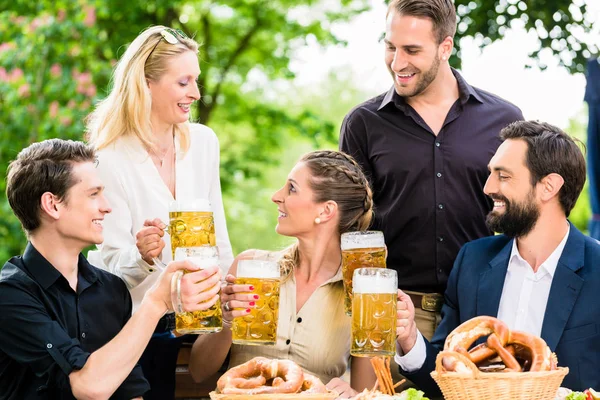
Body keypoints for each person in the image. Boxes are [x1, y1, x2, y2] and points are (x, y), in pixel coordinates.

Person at [339, 0, 524, 339]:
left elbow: (520, 217)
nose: (397, 62)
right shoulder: (362, 124)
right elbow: (348, 227)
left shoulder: (505, 120)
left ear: (445, 47)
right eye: (390, 46)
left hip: (482, 313)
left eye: (412, 50)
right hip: (391, 314)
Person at [0, 139, 222, 399]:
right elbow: (88, 387)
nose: (107, 206)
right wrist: (157, 301)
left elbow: (130, 393)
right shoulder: (10, 295)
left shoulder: (112, 290)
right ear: (53, 205)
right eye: (94, 194)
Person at [394, 120, 600, 394]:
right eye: (491, 174)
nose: (488, 187)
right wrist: (409, 339)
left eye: (503, 176)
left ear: (548, 186)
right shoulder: (472, 260)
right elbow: (445, 378)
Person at [85, 26, 234, 399]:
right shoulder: (108, 157)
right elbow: (107, 273)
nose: (196, 94)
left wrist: (230, 292)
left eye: (196, 81)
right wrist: (142, 255)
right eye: (183, 82)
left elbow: (220, 238)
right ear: (146, 84)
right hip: (137, 328)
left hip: (201, 322)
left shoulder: (203, 142)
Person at [188, 150, 378, 398]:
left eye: (292, 189)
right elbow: (198, 372)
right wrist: (226, 322)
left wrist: (354, 394)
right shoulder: (249, 267)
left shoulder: (362, 292)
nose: (276, 196)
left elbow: (369, 393)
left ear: (325, 211)